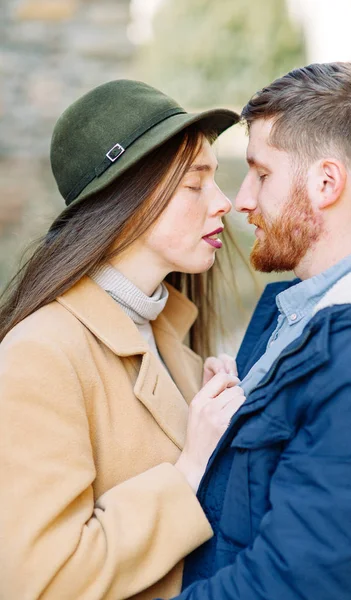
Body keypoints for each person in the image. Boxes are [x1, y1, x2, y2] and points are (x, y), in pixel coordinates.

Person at [0, 79, 246, 600]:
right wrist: (191, 465)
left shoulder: (173, 336)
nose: (224, 203)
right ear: (131, 198)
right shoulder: (39, 356)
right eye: (195, 185)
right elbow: (40, 582)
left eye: (216, 180)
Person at [166, 62, 351, 600]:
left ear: (326, 183)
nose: (241, 200)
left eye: (262, 174)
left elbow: (289, 586)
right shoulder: (295, 316)